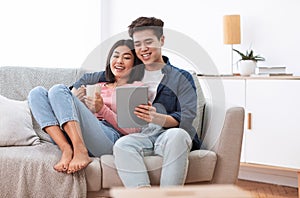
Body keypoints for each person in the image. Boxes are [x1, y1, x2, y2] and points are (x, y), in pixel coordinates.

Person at [28, 39, 144, 174]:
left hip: (108, 138)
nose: (119, 61)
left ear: (135, 64)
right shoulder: (97, 85)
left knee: (58, 89)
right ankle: (66, 148)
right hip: (77, 133)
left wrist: (103, 110)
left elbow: (134, 131)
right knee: (36, 93)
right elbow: (80, 114)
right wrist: (76, 101)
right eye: (116, 55)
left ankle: (80, 150)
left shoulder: (135, 88)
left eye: (127, 57)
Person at [112, 17, 200, 188]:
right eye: (137, 44)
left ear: (162, 40)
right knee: (122, 144)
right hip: (141, 136)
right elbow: (102, 77)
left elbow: (187, 117)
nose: (143, 48)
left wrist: (157, 118)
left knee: (178, 135)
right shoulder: (130, 73)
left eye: (148, 42)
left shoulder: (182, 77)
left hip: (169, 134)